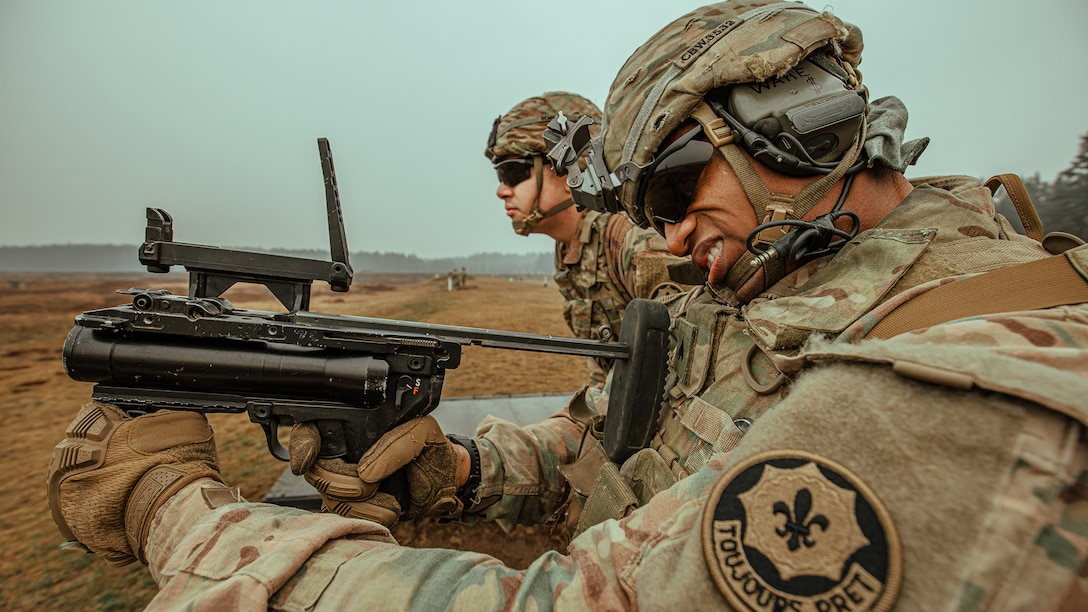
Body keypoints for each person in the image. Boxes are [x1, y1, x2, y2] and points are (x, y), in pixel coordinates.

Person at [48, 2, 1088, 609]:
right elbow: (602, 440)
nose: (666, 237)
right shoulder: (754, 288)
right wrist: (449, 468)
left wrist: (176, 515)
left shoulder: (972, 370)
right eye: (642, 208)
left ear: (795, 128)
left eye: (677, 191)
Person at [487, 91, 690, 386]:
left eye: (513, 172)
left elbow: (686, 371)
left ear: (572, 166)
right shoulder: (570, 248)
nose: (502, 190)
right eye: (499, 175)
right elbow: (606, 376)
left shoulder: (632, 241)